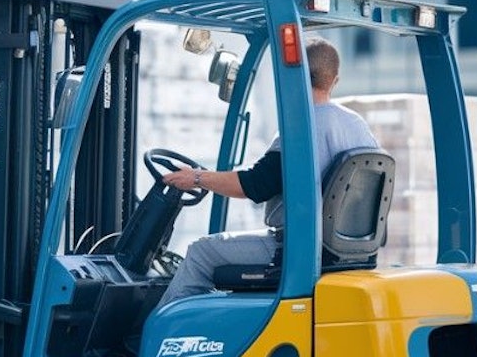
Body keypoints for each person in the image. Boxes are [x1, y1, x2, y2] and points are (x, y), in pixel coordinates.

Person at [156, 36, 379, 305]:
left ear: (293, 78)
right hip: (347, 252)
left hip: (296, 249)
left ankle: (166, 339)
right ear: (335, 80)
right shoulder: (358, 126)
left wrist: (197, 177)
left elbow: (254, 185)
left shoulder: (302, 126)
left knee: (201, 252)